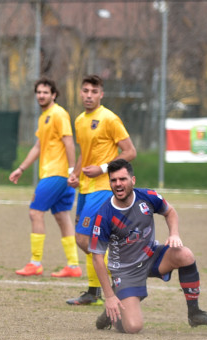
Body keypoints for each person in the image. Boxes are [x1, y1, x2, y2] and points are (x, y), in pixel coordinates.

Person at [90, 159, 207, 333]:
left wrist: (174, 234)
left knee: (185, 254)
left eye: (123, 179)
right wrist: (108, 296)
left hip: (152, 256)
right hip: (126, 271)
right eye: (113, 180)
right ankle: (114, 311)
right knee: (133, 327)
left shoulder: (148, 197)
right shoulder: (104, 214)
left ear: (133, 180)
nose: (118, 184)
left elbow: (170, 212)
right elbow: (97, 257)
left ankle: (194, 313)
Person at [66, 74, 137, 305]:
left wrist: (104, 168)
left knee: (83, 238)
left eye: (94, 91)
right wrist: (75, 173)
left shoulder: (109, 118)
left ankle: (120, 279)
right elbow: (84, 154)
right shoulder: (79, 120)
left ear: (101, 94)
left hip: (103, 188)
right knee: (91, 240)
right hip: (85, 188)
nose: (89, 95)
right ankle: (94, 291)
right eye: (85, 90)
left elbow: (130, 151)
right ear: (80, 92)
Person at [9, 77, 81, 278]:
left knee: (35, 212)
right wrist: (21, 168)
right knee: (61, 216)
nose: (41, 95)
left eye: (45, 92)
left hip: (57, 173)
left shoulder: (59, 114)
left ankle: (35, 262)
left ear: (54, 94)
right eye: (38, 92)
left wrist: (72, 170)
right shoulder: (44, 117)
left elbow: (69, 142)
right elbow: (38, 146)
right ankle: (74, 265)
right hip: (59, 174)